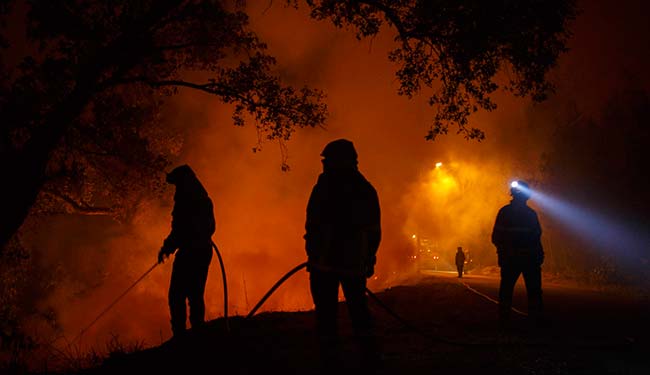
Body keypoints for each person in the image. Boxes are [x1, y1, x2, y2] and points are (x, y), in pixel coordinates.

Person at [304, 139, 382, 371]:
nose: (324, 164)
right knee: (356, 312)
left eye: (328, 160)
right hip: (347, 263)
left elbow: (313, 224)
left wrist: (314, 252)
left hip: (327, 264)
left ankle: (333, 361)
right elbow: (373, 230)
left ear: (341, 161)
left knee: (329, 315)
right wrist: (368, 258)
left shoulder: (324, 188)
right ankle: (367, 359)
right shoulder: (365, 190)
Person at [158, 164, 215, 338]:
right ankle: (197, 332)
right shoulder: (203, 200)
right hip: (203, 251)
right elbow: (208, 228)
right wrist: (169, 247)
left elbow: (179, 230)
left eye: (177, 184)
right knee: (195, 294)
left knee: (177, 295)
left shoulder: (186, 202)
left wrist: (167, 247)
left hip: (191, 252)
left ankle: (181, 336)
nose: (176, 189)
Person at [491, 180, 544, 327]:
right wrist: (538, 255)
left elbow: (496, 237)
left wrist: (504, 251)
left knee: (506, 291)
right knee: (533, 292)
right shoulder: (531, 215)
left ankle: (504, 322)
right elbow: (536, 236)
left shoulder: (504, 213)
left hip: (512, 260)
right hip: (528, 260)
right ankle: (535, 322)